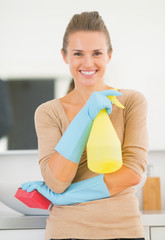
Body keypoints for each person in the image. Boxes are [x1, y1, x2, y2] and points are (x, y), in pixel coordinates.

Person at [22, 11, 148, 240]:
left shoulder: (130, 102)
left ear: (109, 55)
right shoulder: (48, 112)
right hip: (66, 232)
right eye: (78, 53)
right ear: (64, 55)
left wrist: (64, 198)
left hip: (124, 231)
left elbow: (131, 174)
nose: (88, 63)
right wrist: (85, 117)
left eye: (97, 53)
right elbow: (57, 182)